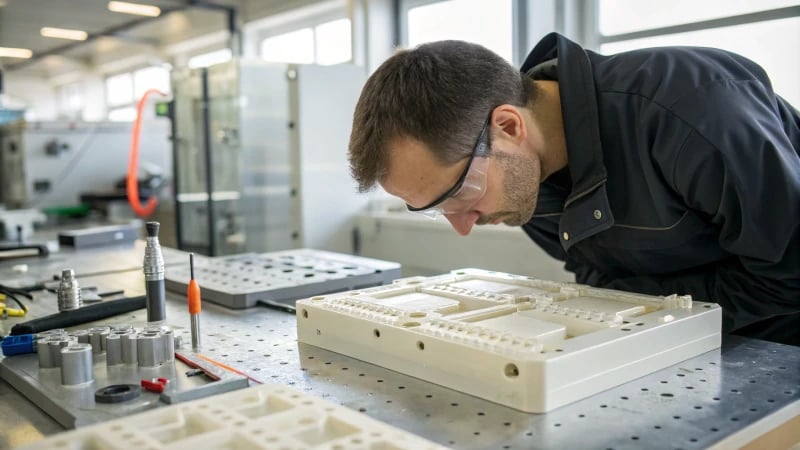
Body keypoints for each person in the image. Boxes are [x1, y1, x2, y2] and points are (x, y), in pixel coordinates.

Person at [347, 32, 800, 346]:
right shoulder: (524, 180)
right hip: (700, 341)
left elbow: (790, 273)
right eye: (433, 209)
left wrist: (645, 308)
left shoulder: (688, 111)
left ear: (508, 126)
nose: (464, 226)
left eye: (460, 196)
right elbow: (601, 283)